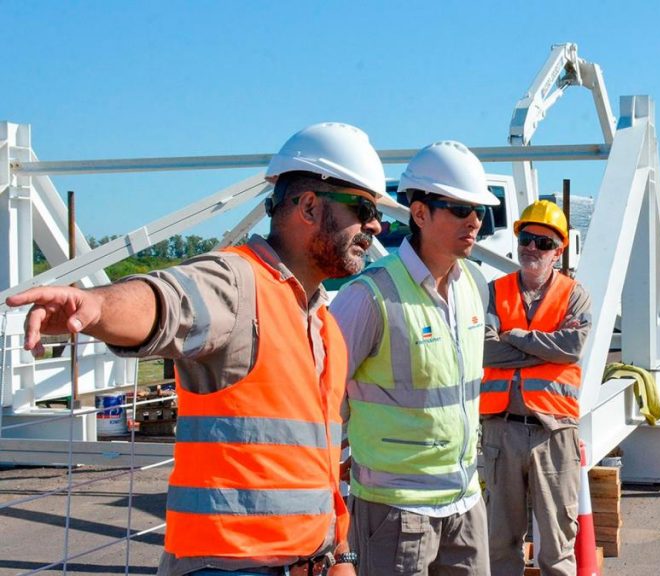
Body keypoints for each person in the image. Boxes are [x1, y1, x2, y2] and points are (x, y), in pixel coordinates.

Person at [6, 122, 388, 576]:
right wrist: (97, 306)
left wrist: (339, 554)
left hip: (311, 562)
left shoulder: (323, 324)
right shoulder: (236, 282)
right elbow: (167, 300)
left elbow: (320, 467)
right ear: (308, 206)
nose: (375, 225)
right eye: (363, 208)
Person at [329, 140, 499, 575]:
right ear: (419, 213)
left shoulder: (473, 285)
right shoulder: (369, 297)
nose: (474, 220)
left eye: (480, 210)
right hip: (395, 509)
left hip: (465, 503)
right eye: (460, 208)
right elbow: (321, 405)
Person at [479, 200, 591, 576]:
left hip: (554, 432)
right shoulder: (494, 291)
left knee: (557, 545)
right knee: (500, 543)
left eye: (544, 243)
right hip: (501, 430)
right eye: (526, 238)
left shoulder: (574, 294)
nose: (532, 248)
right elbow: (485, 349)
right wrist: (547, 351)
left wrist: (515, 336)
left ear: (558, 252)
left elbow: (572, 348)